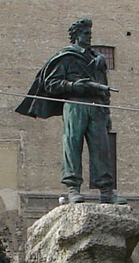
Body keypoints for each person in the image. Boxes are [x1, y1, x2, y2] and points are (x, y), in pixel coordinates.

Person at [15, 17, 123, 204]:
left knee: (102, 148)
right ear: (76, 36)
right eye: (85, 34)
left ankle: (106, 191)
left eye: (90, 33)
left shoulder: (98, 59)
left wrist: (107, 113)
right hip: (75, 105)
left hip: (96, 106)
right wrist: (73, 86)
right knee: (72, 145)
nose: (89, 37)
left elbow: (104, 86)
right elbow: (51, 84)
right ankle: (73, 188)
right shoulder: (66, 57)